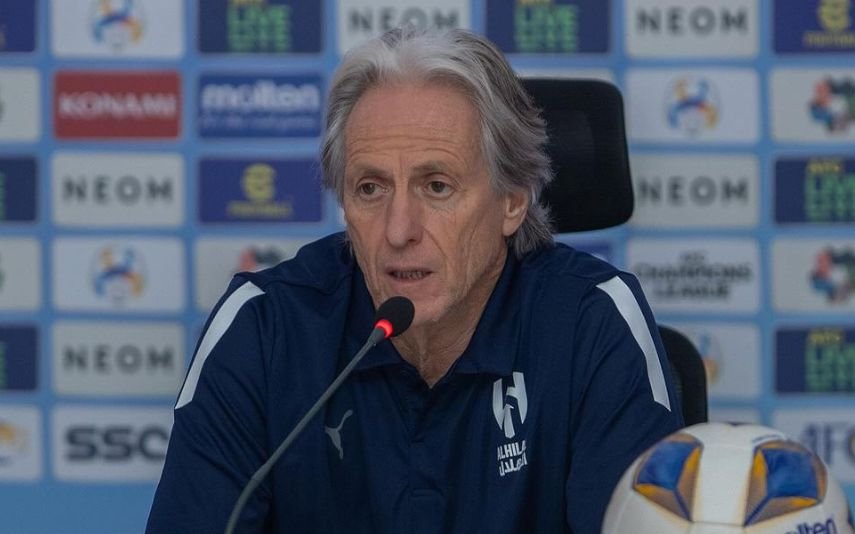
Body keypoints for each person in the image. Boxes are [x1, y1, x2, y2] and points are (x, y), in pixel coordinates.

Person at [146, 27, 683, 534]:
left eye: (437, 186)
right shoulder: (264, 328)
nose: (399, 230)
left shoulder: (590, 322)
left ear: (513, 201)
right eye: (371, 188)